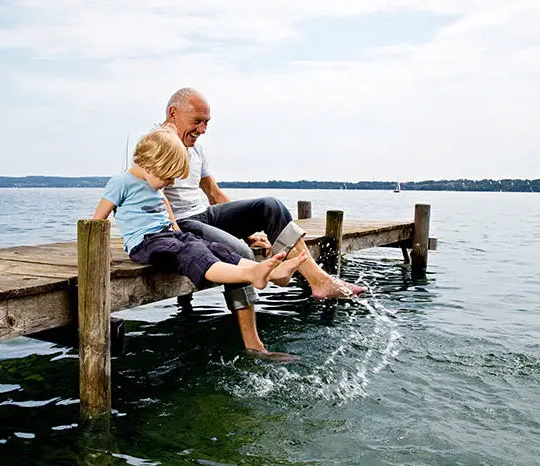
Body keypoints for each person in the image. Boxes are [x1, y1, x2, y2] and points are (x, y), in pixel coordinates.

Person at [160, 87, 368, 354]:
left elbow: (214, 193)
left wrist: (247, 230)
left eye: (206, 122)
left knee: (270, 206)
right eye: (197, 121)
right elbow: (155, 196)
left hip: (205, 215)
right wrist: (178, 234)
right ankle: (254, 345)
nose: (202, 129)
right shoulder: (157, 143)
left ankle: (316, 279)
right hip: (181, 224)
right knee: (239, 253)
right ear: (173, 113)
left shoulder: (195, 149)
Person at [93, 126, 309, 358]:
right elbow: (97, 221)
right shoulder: (120, 183)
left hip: (168, 235)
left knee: (211, 247)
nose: (169, 183)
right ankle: (252, 274)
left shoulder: (152, 180)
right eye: (167, 178)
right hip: (145, 244)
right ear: (148, 168)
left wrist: (176, 230)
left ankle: (270, 272)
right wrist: (98, 255)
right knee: (192, 252)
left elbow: (165, 207)